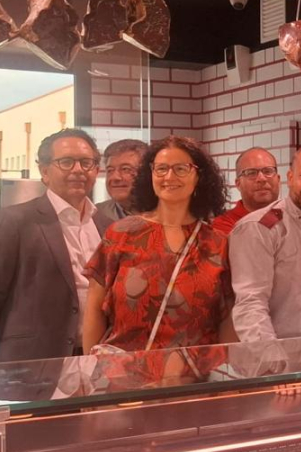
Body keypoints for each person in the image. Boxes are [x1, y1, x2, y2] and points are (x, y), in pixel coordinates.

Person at [0, 128, 112, 364]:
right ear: (44, 171)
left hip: (96, 361)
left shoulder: (107, 225)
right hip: (32, 363)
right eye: (66, 162)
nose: (78, 170)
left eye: (86, 163)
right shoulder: (13, 221)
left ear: (96, 170)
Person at [83, 135, 236, 352]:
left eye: (181, 169)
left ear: (199, 177)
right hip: (124, 369)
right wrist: (90, 366)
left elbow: (227, 318)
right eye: (161, 169)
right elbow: (94, 308)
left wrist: (227, 367)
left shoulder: (217, 243)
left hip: (195, 371)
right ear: (150, 175)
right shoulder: (121, 234)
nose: (169, 177)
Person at [229, 145, 301, 341]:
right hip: (267, 356)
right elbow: (250, 304)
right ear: (290, 177)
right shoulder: (258, 227)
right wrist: (272, 356)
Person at [213, 148, 282, 234]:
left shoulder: (292, 217)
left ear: (278, 179)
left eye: (268, 171)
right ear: (238, 184)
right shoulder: (223, 226)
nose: (261, 179)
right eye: (251, 173)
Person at [97, 138, 147, 222]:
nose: (115, 177)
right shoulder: (95, 215)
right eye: (110, 170)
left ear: (146, 173)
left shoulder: (166, 214)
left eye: (125, 169)